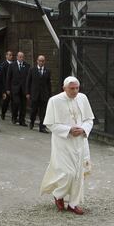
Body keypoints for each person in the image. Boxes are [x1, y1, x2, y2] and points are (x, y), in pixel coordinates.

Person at [40, 76, 94, 215]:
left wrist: (84, 129)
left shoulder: (83, 98)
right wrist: (69, 130)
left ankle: (73, 204)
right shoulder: (55, 101)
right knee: (67, 174)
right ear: (64, 88)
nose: (75, 91)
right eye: (72, 88)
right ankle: (58, 195)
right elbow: (50, 124)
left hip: (80, 142)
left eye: (77, 88)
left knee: (78, 175)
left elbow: (89, 119)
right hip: (63, 143)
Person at [26, 55, 51, 133]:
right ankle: (32, 122)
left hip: (44, 95)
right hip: (34, 94)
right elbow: (28, 82)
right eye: (40, 61)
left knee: (43, 112)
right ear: (37, 61)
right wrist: (27, 92)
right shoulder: (32, 70)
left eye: (43, 61)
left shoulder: (47, 71)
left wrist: (49, 94)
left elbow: (48, 83)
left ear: (44, 62)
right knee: (33, 110)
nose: (41, 62)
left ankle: (42, 127)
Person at [6, 51, 30, 126]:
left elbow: (28, 79)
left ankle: (22, 120)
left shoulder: (27, 66)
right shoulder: (12, 65)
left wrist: (28, 90)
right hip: (14, 88)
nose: (21, 58)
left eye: (22, 57)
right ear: (17, 57)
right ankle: (14, 117)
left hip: (23, 89)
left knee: (23, 105)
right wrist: (8, 89)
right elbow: (8, 77)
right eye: (20, 57)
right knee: (16, 103)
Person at [0, 51, 13, 120]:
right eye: (9, 55)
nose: (11, 56)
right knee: (6, 101)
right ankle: (3, 113)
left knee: (14, 101)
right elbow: (3, 77)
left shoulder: (14, 64)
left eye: (11, 55)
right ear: (6, 56)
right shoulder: (3, 65)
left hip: (13, 85)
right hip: (6, 85)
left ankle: (14, 116)